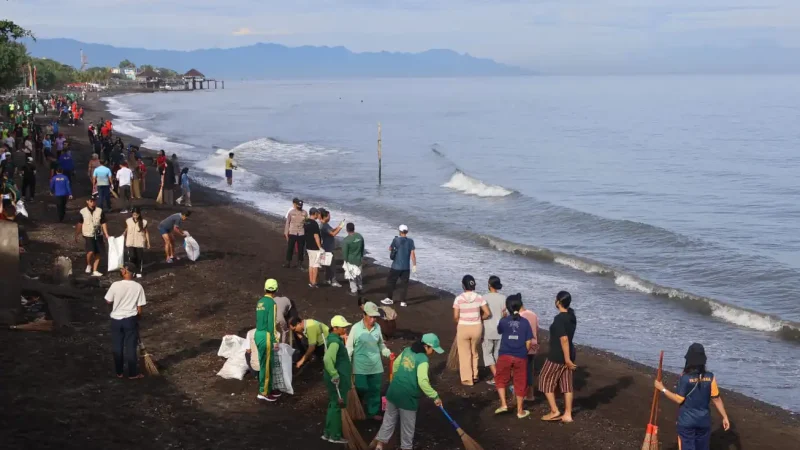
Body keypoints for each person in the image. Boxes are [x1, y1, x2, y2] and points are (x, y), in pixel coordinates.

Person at [373, 333, 444, 450]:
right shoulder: (423, 359)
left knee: (388, 420)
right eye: (433, 349)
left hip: (393, 392)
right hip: (408, 398)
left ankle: (379, 445)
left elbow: (395, 365)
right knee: (407, 428)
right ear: (426, 347)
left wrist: (397, 381)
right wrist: (435, 396)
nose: (434, 352)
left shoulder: (407, 350)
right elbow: (422, 381)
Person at [655, 343, 730, 450]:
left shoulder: (685, 378)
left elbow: (678, 399)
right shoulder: (710, 377)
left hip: (687, 422)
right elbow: (716, 398)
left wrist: (662, 388)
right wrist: (725, 417)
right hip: (704, 421)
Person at [346, 301, 392, 421]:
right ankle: (358, 405)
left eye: (375, 317)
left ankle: (372, 412)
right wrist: (347, 360)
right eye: (370, 316)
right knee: (361, 388)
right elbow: (349, 347)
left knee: (375, 390)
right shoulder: (356, 328)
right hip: (360, 366)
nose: (373, 320)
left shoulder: (377, 327)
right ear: (364, 315)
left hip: (376, 365)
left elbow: (380, 344)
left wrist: (387, 352)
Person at [539, 290, 578, 423]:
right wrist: (568, 358)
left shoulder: (560, 318)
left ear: (558, 302)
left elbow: (564, 339)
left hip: (558, 355)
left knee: (544, 379)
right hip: (570, 354)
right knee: (566, 384)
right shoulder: (572, 317)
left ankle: (555, 410)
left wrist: (566, 359)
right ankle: (568, 414)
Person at [494, 294, 534, 419]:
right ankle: (520, 411)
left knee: (500, 378)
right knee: (520, 382)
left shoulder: (504, 321)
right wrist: (523, 351)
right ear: (520, 305)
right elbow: (528, 342)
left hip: (505, 354)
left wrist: (502, 317)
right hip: (520, 355)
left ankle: (504, 404)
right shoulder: (525, 322)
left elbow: (499, 330)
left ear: (507, 307)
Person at [105, 262, 146, 379]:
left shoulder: (115, 285)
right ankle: (133, 373)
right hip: (130, 319)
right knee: (131, 347)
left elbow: (108, 300)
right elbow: (139, 307)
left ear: (126, 272)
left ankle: (119, 372)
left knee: (117, 346)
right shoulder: (138, 287)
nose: (121, 270)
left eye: (123, 269)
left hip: (116, 320)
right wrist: (138, 319)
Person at [452, 275, 489, 386]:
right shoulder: (479, 297)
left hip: (463, 326)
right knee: (474, 352)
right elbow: (487, 313)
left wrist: (460, 322)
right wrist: (479, 318)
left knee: (464, 354)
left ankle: (467, 379)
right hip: (476, 327)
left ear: (463, 285)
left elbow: (455, 316)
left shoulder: (459, 298)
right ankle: (475, 375)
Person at [322, 315, 353, 445]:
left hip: (335, 378)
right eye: (342, 327)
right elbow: (327, 359)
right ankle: (335, 435)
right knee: (337, 407)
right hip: (337, 380)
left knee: (333, 405)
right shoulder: (335, 342)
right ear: (335, 328)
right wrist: (335, 374)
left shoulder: (333, 339)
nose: (345, 329)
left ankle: (328, 432)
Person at [255, 278, 281, 402]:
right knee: (266, 365)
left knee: (266, 363)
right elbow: (272, 324)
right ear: (276, 290)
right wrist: (275, 339)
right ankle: (263, 392)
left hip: (258, 333)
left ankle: (268, 388)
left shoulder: (260, 302)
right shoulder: (272, 303)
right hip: (266, 336)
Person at [75, 195, 109, 277]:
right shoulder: (83, 211)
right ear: (87, 201)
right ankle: (88, 264)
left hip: (98, 234)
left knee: (98, 253)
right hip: (88, 234)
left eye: (94, 200)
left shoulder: (100, 211)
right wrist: (77, 234)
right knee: (90, 251)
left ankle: (95, 270)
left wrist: (106, 234)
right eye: (91, 201)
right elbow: (80, 223)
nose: (93, 202)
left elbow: (103, 222)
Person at [382, 225, 416, 306]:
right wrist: (414, 265)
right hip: (406, 267)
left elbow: (390, 248)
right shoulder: (411, 241)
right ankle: (403, 302)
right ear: (407, 232)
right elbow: (413, 255)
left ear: (400, 231)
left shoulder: (396, 240)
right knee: (404, 284)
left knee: (391, 282)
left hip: (396, 266)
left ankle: (389, 299)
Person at [482, 276, 506, 385]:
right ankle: (499, 375)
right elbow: (505, 315)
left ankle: (497, 377)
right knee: (497, 355)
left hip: (488, 329)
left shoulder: (484, 297)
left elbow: (482, 314)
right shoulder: (503, 298)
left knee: (487, 354)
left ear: (489, 285)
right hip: (500, 330)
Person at [519, 302, 539, 400]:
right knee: (530, 370)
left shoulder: (519, 316)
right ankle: (530, 395)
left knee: (520, 371)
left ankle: (521, 394)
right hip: (533, 345)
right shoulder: (533, 314)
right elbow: (536, 330)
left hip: (523, 346)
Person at [319, 209, 344, 287]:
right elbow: (333, 234)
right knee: (332, 265)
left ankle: (327, 280)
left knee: (327, 265)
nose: (330, 217)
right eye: (329, 216)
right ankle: (333, 281)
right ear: (325, 217)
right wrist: (340, 227)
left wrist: (338, 226)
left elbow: (331, 230)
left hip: (326, 247)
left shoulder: (325, 224)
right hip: (328, 248)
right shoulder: (324, 225)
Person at [123, 207, 150, 277]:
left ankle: (138, 271)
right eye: (134, 215)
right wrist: (124, 234)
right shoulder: (128, 221)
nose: (135, 216)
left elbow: (146, 232)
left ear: (139, 214)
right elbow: (127, 228)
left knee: (139, 257)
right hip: (130, 242)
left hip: (139, 242)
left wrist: (148, 242)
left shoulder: (144, 222)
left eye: (136, 215)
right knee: (132, 257)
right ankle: (132, 271)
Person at [341, 222, 365, 297]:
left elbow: (345, 253)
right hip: (359, 259)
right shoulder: (360, 236)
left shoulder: (346, 240)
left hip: (351, 260)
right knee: (359, 274)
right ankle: (360, 288)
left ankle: (354, 290)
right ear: (354, 228)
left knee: (351, 276)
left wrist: (345, 261)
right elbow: (362, 248)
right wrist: (361, 256)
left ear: (347, 229)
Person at [283, 198, 307, 268]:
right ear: (296, 205)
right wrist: (286, 232)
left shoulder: (305, 213)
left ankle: (300, 264)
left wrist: (307, 234)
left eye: (301, 205)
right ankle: (288, 263)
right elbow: (287, 222)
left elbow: (306, 223)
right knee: (290, 248)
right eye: (299, 205)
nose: (300, 207)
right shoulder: (291, 212)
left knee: (301, 249)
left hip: (301, 233)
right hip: (292, 232)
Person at [303, 207, 323, 288]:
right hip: (314, 247)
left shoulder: (306, 222)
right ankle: (314, 282)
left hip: (308, 246)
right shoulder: (314, 224)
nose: (318, 215)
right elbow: (316, 236)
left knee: (311, 265)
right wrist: (320, 247)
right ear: (314, 214)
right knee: (315, 265)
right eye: (317, 214)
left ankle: (311, 281)